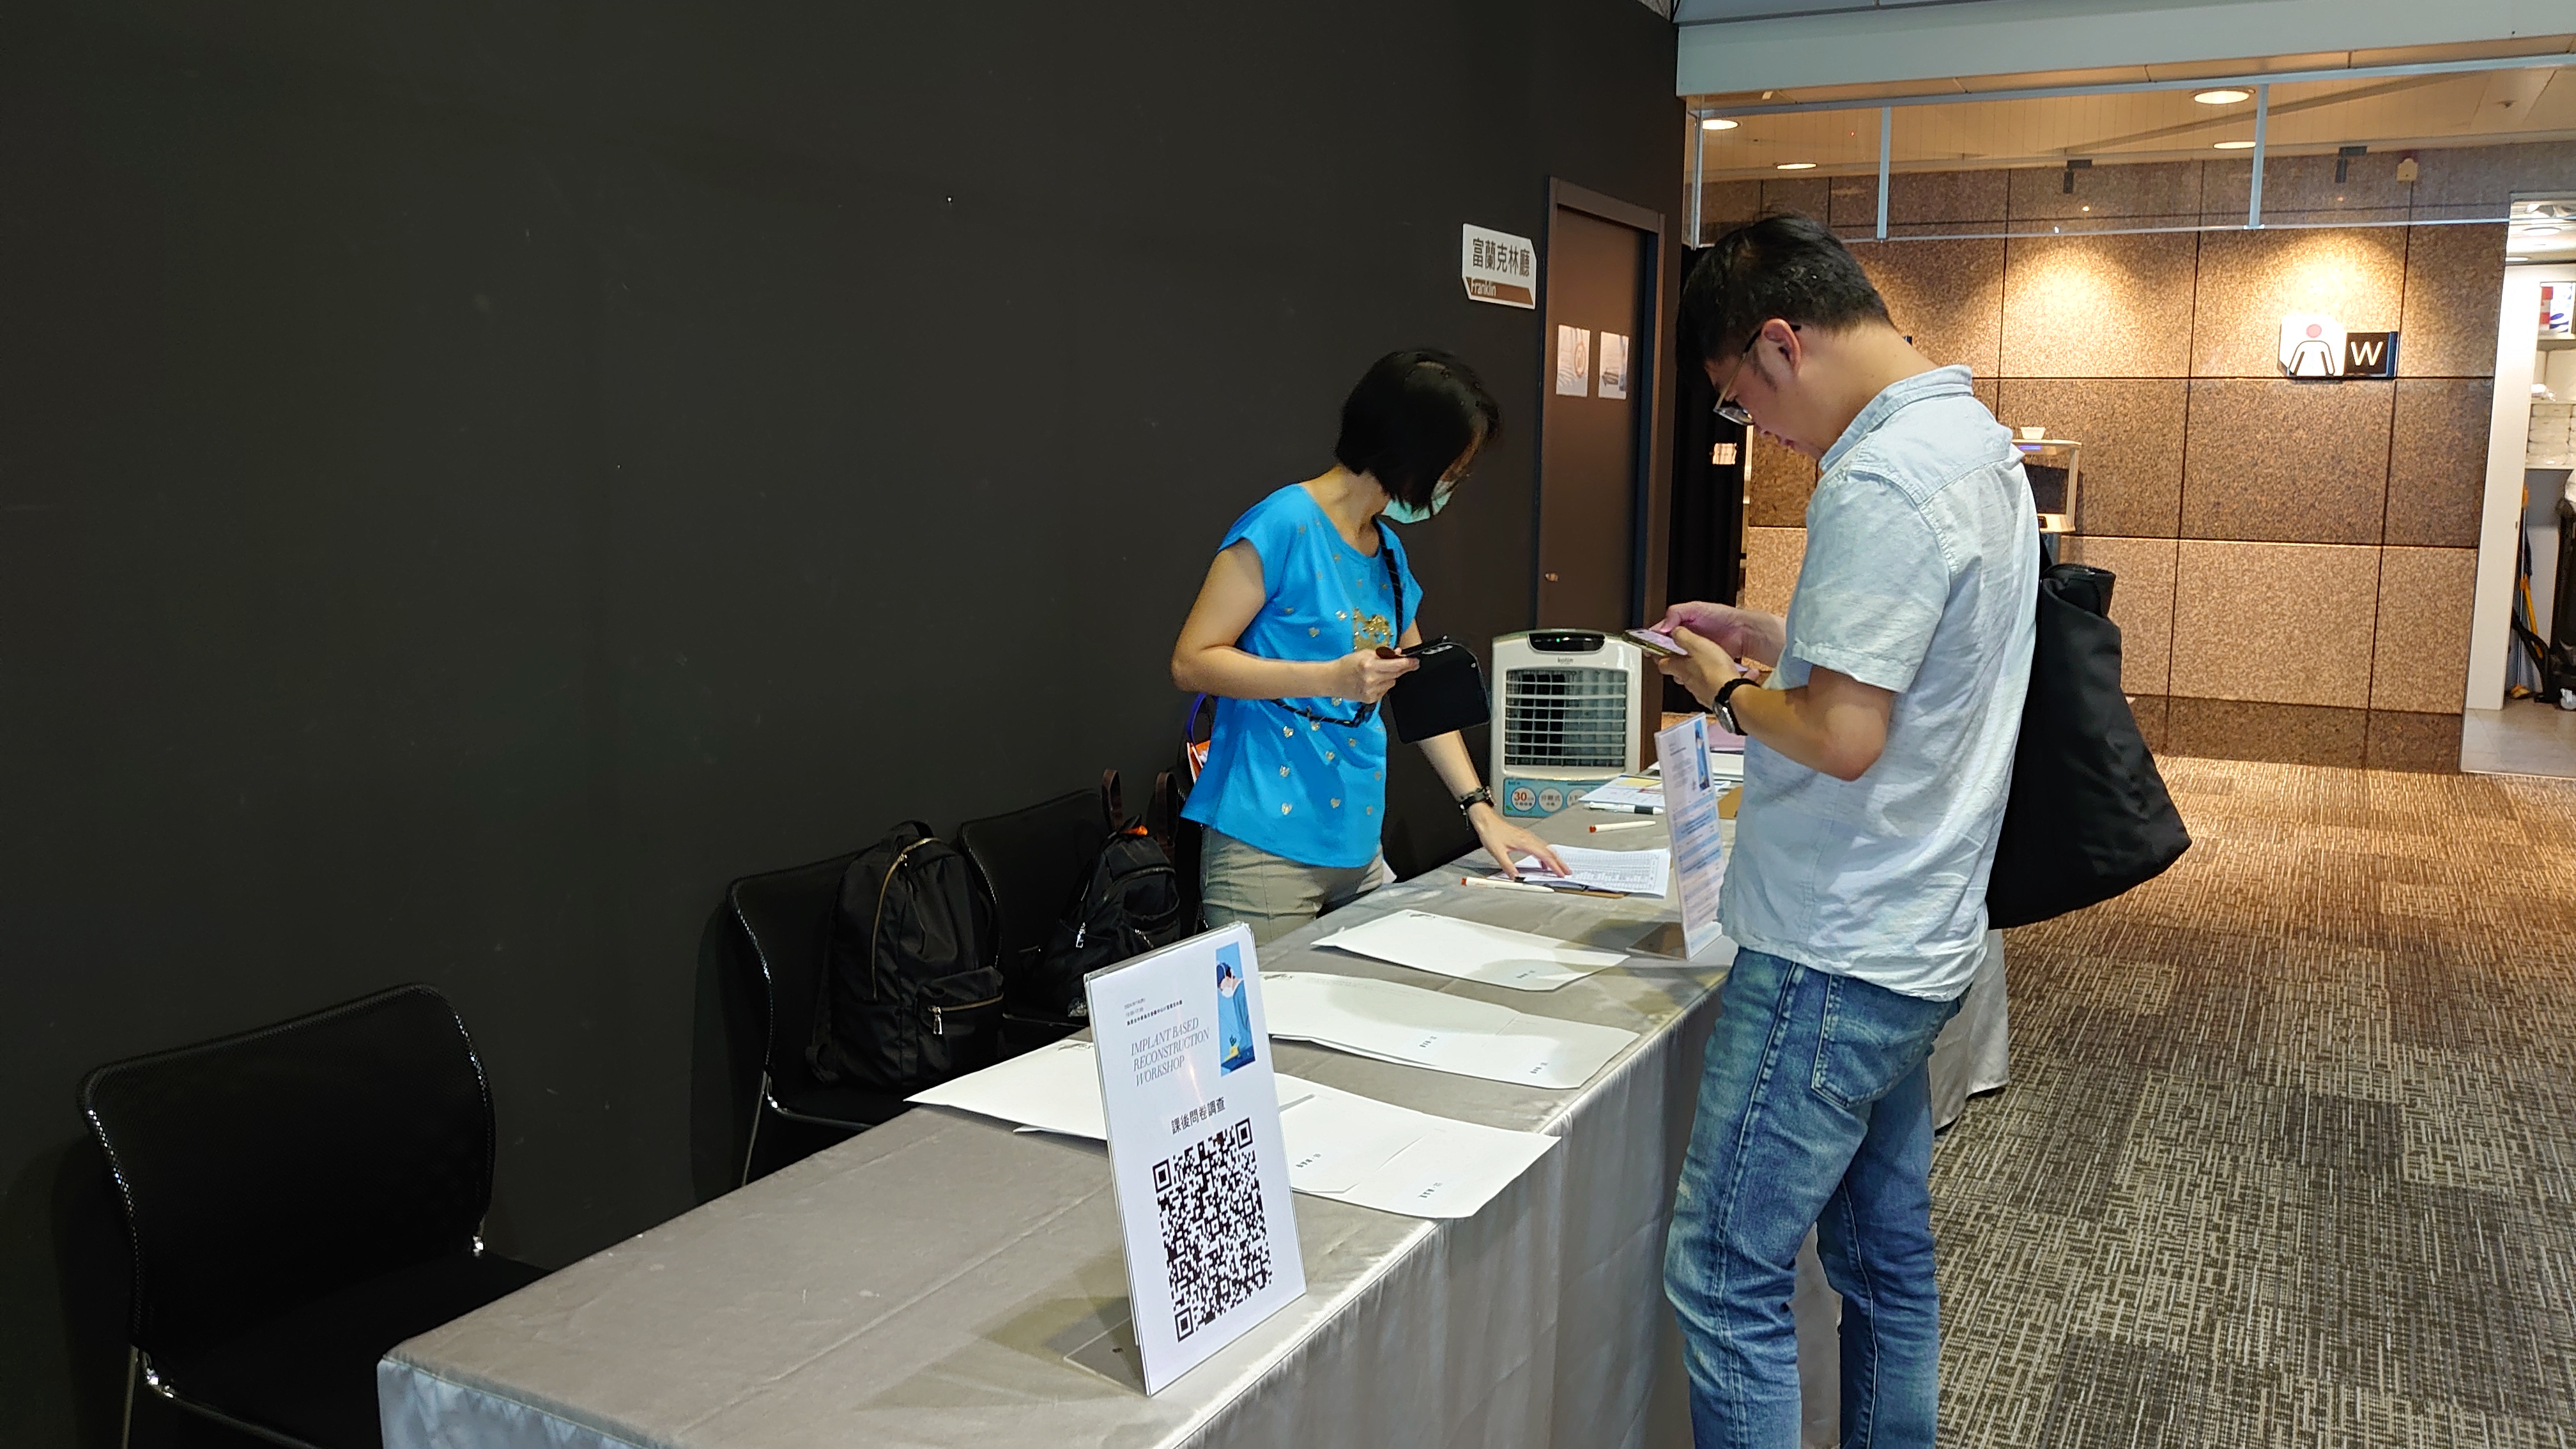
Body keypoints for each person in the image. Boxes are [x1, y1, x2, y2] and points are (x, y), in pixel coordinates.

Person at [1650, 214, 2037, 1448]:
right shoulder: (1972, 441)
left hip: (1833, 947)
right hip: (1919, 928)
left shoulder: (1876, 477)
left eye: (1739, 397)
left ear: (1781, 341)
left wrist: (1723, 686)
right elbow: (1918, 663)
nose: (1755, 428)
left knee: (1724, 1273)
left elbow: (1843, 734)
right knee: (1883, 1258)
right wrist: (1777, 638)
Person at [1170, 349, 1567, 944]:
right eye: (1453, 468)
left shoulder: (1386, 550)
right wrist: (1330, 678)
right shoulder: (1283, 523)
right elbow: (1192, 661)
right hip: (1265, 845)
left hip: (1358, 844)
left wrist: (1481, 809)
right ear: (1412, 453)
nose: (1453, 484)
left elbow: (1418, 691)